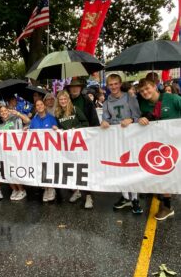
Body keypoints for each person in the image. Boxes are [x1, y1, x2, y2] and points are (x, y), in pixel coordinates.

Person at [137, 78, 181, 220]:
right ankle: (167, 206)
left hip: (177, 143)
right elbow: (143, 120)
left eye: (147, 88)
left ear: (155, 86)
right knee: (164, 174)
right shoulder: (144, 104)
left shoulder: (173, 98)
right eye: (142, 91)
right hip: (161, 147)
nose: (145, 92)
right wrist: (141, 119)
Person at [101, 74, 143, 214]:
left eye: (115, 84)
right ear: (108, 86)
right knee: (121, 167)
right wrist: (104, 122)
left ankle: (135, 198)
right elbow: (105, 119)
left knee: (132, 167)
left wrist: (131, 120)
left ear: (120, 84)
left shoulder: (130, 98)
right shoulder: (106, 103)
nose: (113, 87)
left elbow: (138, 117)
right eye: (110, 84)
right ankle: (125, 197)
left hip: (131, 137)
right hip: (116, 139)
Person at [53, 90, 92, 207]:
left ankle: (89, 197)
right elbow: (60, 129)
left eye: (65, 99)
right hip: (67, 146)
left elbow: (86, 122)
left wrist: (76, 128)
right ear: (58, 101)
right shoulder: (58, 113)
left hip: (79, 144)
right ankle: (76, 192)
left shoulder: (75, 109)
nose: (63, 101)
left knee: (82, 170)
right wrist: (56, 128)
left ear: (68, 99)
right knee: (71, 169)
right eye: (61, 99)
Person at [66, 79, 99, 206]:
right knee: (73, 166)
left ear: (80, 88)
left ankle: (89, 196)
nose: (74, 89)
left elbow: (94, 119)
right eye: (72, 88)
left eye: (77, 87)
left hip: (85, 139)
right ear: (69, 89)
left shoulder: (86, 101)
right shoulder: (66, 100)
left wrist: (93, 135)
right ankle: (77, 190)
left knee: (86, 167)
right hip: (71, 140)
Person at [0, 105, 30, 201]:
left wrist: (18, 113)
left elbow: (28, 121)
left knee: (15, 171)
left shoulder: (16, 119)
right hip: (6, 152)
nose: (4, 112)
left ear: (9, 111)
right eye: (1, 111)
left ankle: (21, 190)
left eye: (5, 110)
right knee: (8, 172)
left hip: (17, 150)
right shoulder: (0, 126)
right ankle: (14, 190)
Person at [29, 99, 58, 202]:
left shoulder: (51, 118)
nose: (40, 106)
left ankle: (51, 188)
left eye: (41, 104)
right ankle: (46, 188)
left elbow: (57, 132)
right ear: (36, 108)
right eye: (37, 105)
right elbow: (30, 132)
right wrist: (26, 130)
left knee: (49, 168)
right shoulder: (34, 120)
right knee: (42, 168)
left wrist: (56, 128)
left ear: (44, 106)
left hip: (50, 150)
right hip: (38, 150)